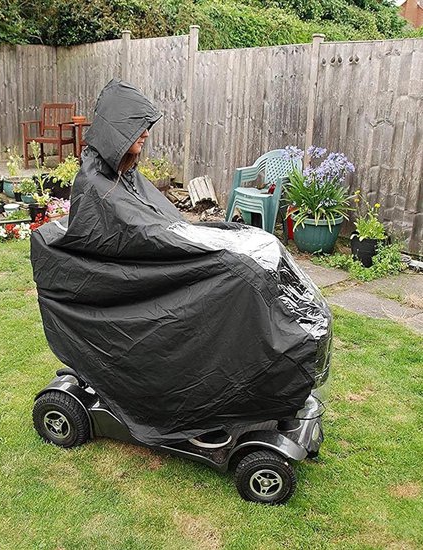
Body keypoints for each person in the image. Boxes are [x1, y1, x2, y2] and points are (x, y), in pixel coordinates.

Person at [30, 79, 331, 446]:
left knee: (261, 245)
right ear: (117, 132)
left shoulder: (123, 175)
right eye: (137, 130)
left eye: (145, 130)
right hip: (130, 278)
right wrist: (212, 247)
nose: (143, 138)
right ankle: (264, 373)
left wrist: (217, 237)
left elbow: (161, 226)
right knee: (241, 273)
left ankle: (280, 357)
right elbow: (139, 236)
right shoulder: (98, 186)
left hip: (161, 253)